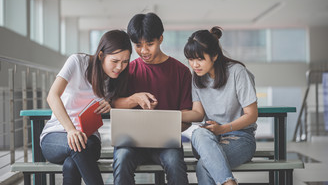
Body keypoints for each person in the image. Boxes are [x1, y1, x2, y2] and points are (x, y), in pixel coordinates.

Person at [40, 30, 132, 185]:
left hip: (90, 139)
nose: (119, 67)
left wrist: (109, 103)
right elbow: (52, 96)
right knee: (76, 145)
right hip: (56, 135)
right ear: (101, 55)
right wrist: (71, 130)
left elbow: (116, 102)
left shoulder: (115, 80)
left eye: (125, 62)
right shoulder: (77, 62)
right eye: (115, 61)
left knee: (72, 162)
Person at [112, 12, 192, 185]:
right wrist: (134, 99)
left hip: (166, 143)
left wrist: (165, 127)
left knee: (174, 162)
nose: (144, 51)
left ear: (161, 39)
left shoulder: (182, 72)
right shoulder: (127, 70)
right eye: (138, 45)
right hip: (131, 143)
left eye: (150, 44)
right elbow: (114, 103)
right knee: (122, 157)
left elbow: (188, 117)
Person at [182, 27, 258, 185]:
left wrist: (223, 129)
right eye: (190, 59)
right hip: (211, 139)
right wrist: (172, 116)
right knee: (198, 134)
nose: (194, 65)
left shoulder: (238, 72)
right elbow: (197, 113)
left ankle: (228, 183)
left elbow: (251, 115)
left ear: (215, 56)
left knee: (204, 166)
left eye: (200, 59)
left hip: (241, 138)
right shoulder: (197, 78)